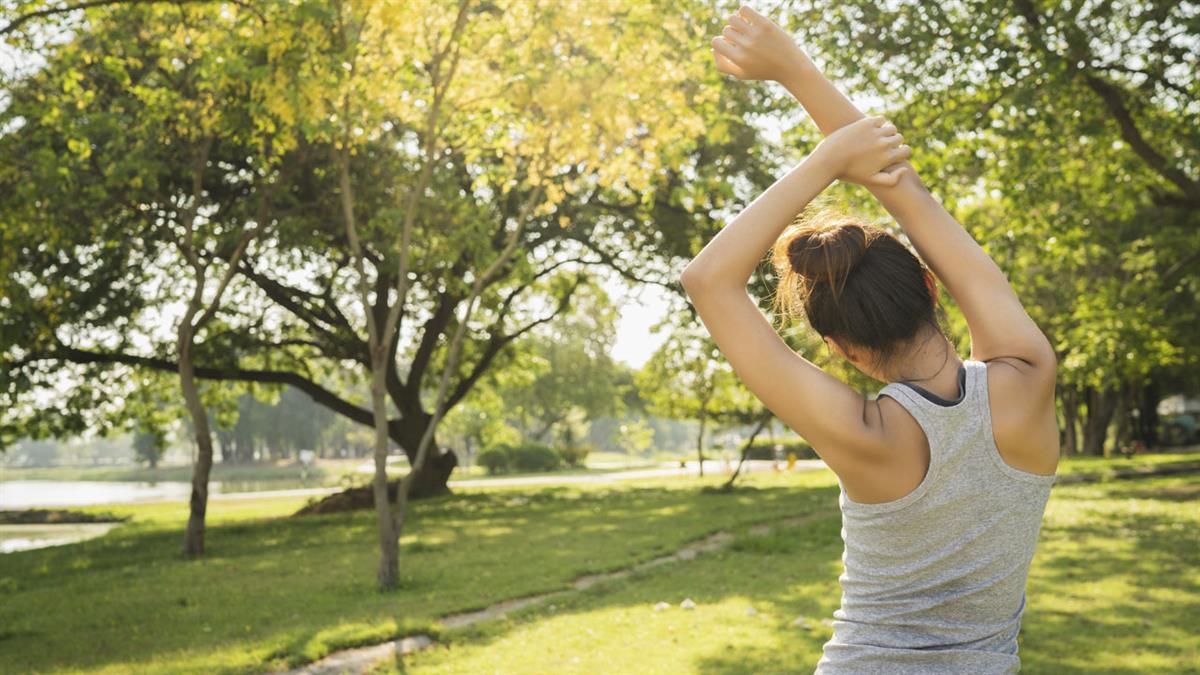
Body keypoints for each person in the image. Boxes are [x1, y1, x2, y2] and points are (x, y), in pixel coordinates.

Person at [680, 6, 1060, 674]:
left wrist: (828, 158)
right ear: (932, 287)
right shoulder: (1028, 377)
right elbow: (904, 190)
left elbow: (709, 280)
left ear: (841, 347)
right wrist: (798, 72)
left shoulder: (865, 434)